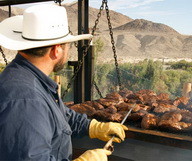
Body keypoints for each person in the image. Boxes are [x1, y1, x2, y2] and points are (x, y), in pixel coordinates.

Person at [0, 4, 128, 161]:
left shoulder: (31, 78)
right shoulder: (26, 100)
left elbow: (58, 115)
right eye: (68, 45)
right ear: (56, 50)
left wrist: (92, 127)